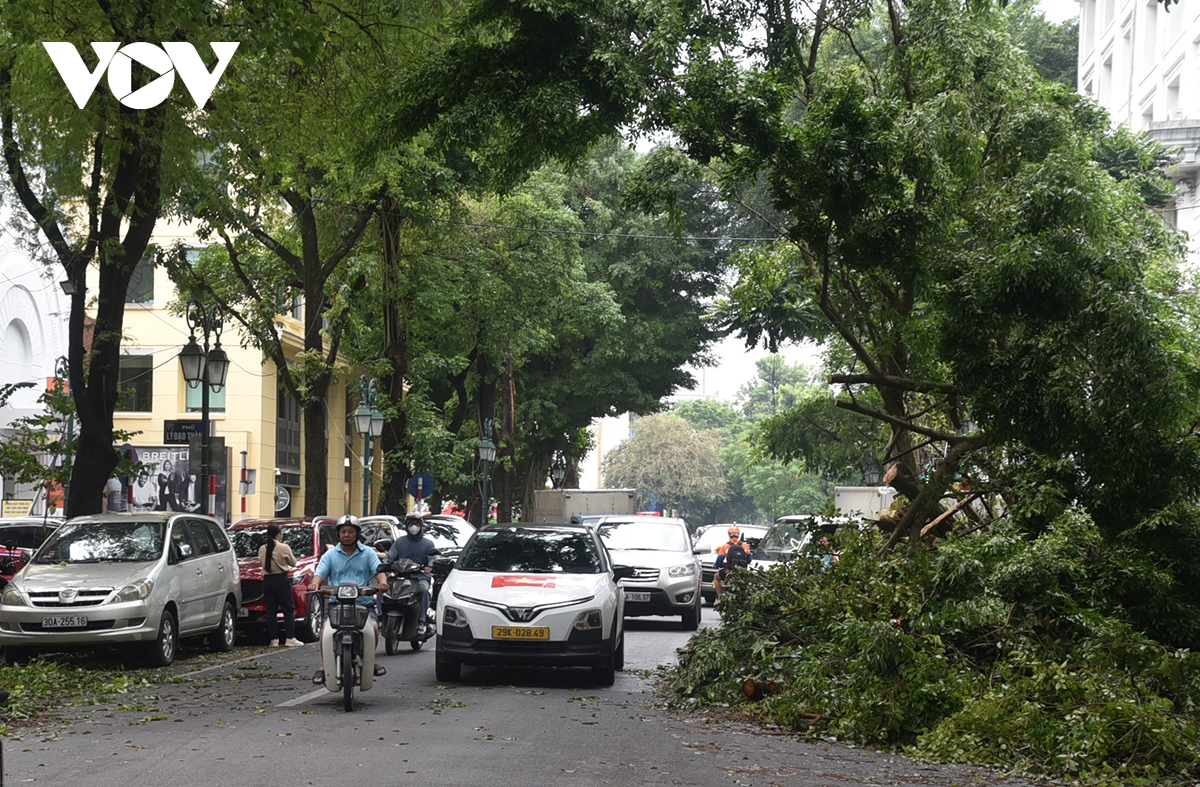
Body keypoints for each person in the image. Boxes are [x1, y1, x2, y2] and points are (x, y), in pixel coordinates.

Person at [308, 515, 388, 685]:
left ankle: (369, 661)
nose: (347, 535)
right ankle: (323, 665)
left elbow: (379, 570)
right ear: (338, 534)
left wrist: (383, 582)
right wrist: (315, 584)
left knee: (373, 628)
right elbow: (319, 574)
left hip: (363, 604)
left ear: (357, 534)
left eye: (351, 531)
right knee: (324, 631)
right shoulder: (330, 555)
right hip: (337, 604)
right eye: (343, 531)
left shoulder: (368, 553)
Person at [385, 512, 438, 634]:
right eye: (411, 523)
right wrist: (385, 563)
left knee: (423, 590)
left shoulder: (428, 544)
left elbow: (433, 558)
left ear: (421, 525)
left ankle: (421, 621)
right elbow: (390, 556)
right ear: (407, 525)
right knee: (383, 589)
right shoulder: (399, 542)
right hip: (401, 576)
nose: (414, 526)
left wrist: (430, 566)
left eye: (416, 523)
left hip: (420, 577)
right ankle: (381, 616)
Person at [259, 524, 303, 648]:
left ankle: (274, 640)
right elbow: (293, 563)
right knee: (288, 609)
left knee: (271, 611)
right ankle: (290, 638)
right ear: (278, 535)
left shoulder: (262, 548)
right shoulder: (284, 547)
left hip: (267, 580)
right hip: (281, 579)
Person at [712, 525, 751, 605]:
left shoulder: (725, 546)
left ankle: (719, 597)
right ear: (738, 534)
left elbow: (719, 561)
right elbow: (749, 559)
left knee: (716, 576)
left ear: (729, 534)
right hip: (742, 572)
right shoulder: (744, 545)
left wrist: (716, 566)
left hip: (729, 571)